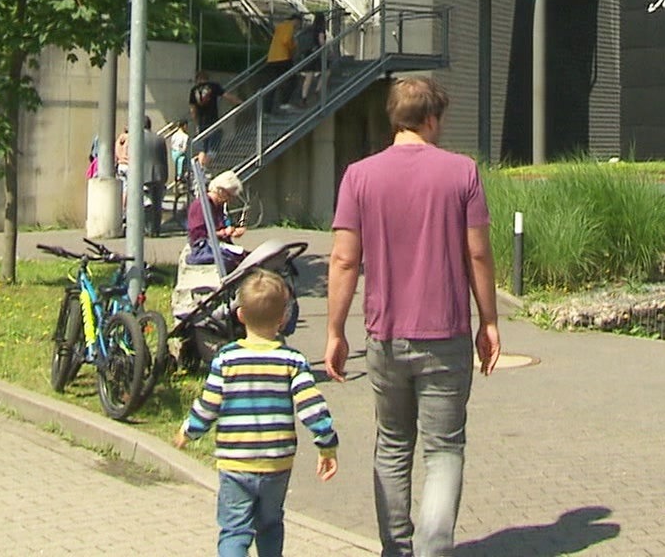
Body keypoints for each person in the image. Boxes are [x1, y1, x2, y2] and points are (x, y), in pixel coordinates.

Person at [325, 77, 500, 557]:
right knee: (443, 449)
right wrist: (489, 320)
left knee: (393, 445)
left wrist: (335, 330)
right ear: (430, 118)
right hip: (445, 334)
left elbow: (343, 259)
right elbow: (478, 255)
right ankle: (433, 549)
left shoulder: (358, 176)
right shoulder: (462, 172)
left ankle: (396, 549)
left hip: (384, 334)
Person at [175, 270, 339, 557]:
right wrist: (326, 444)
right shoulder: (292, 361)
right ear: (283, 319)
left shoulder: (226, 359)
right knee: (271, 524)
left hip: (235, 462)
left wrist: (189, 430)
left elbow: (208, 405)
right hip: (277, 463)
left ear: (240, 316)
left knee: (235, 529)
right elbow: (312, 407)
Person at [186, 169, 248, 269]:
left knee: (247, 256)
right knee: (234, 260)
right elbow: (198, 235)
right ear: (220, 190)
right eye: (229, 195)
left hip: (217, 245)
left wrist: (232, 231)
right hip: (203, 248)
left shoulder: (218, 205)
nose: (230, 199)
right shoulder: (201, 205)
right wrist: (224, 232)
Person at [189, 71, 240, 158]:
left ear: (197, 79)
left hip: (201, 123)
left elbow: (193, 110)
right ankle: (206, 162)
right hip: (213, 121)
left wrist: (197, 124)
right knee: (214, 146)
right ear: (207, 78)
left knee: (204, 148)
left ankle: (203, 165)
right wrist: (239, 102)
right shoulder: (213, 86)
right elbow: (227, 96)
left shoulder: (194, 90)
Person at [265, 12, 299, 111]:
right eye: (298, 23)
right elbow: (286, 40)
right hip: (283, 57)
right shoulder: (290, 26)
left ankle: (267, 109)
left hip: (272, 58)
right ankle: (284, 102)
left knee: (272, 84)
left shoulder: (280, 26)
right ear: (296, 21)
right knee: (293, 79)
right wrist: (293, 46)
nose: (298, 26)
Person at [296, 12, 329, 107]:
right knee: (326, 71)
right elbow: (321, 41)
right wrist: (326, 50)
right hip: (317, 54)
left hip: (307, 54)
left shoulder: (309, 28)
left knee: (309, 75)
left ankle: (304, 97)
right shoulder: (320, 29)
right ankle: (317, 90)